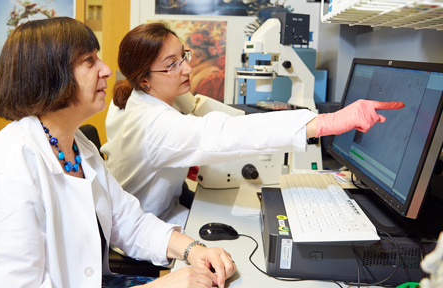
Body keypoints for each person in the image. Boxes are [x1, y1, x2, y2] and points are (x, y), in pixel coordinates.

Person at [0, 17, 236, 288]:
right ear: (49, 75)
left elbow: (129, 222)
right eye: (90, 61)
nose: (106, 70)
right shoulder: (4, 172)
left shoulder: (76, 145)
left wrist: (195, 250)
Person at [100, 22, 405, 227]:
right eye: (173, 64)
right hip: (144, 226)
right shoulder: (153, 124)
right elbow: (221, 134)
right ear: (144, 79)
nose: (188, 68)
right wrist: (330, 121)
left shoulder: (145, 96)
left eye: (184, 56)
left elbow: (197, 108)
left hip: (166, 206)